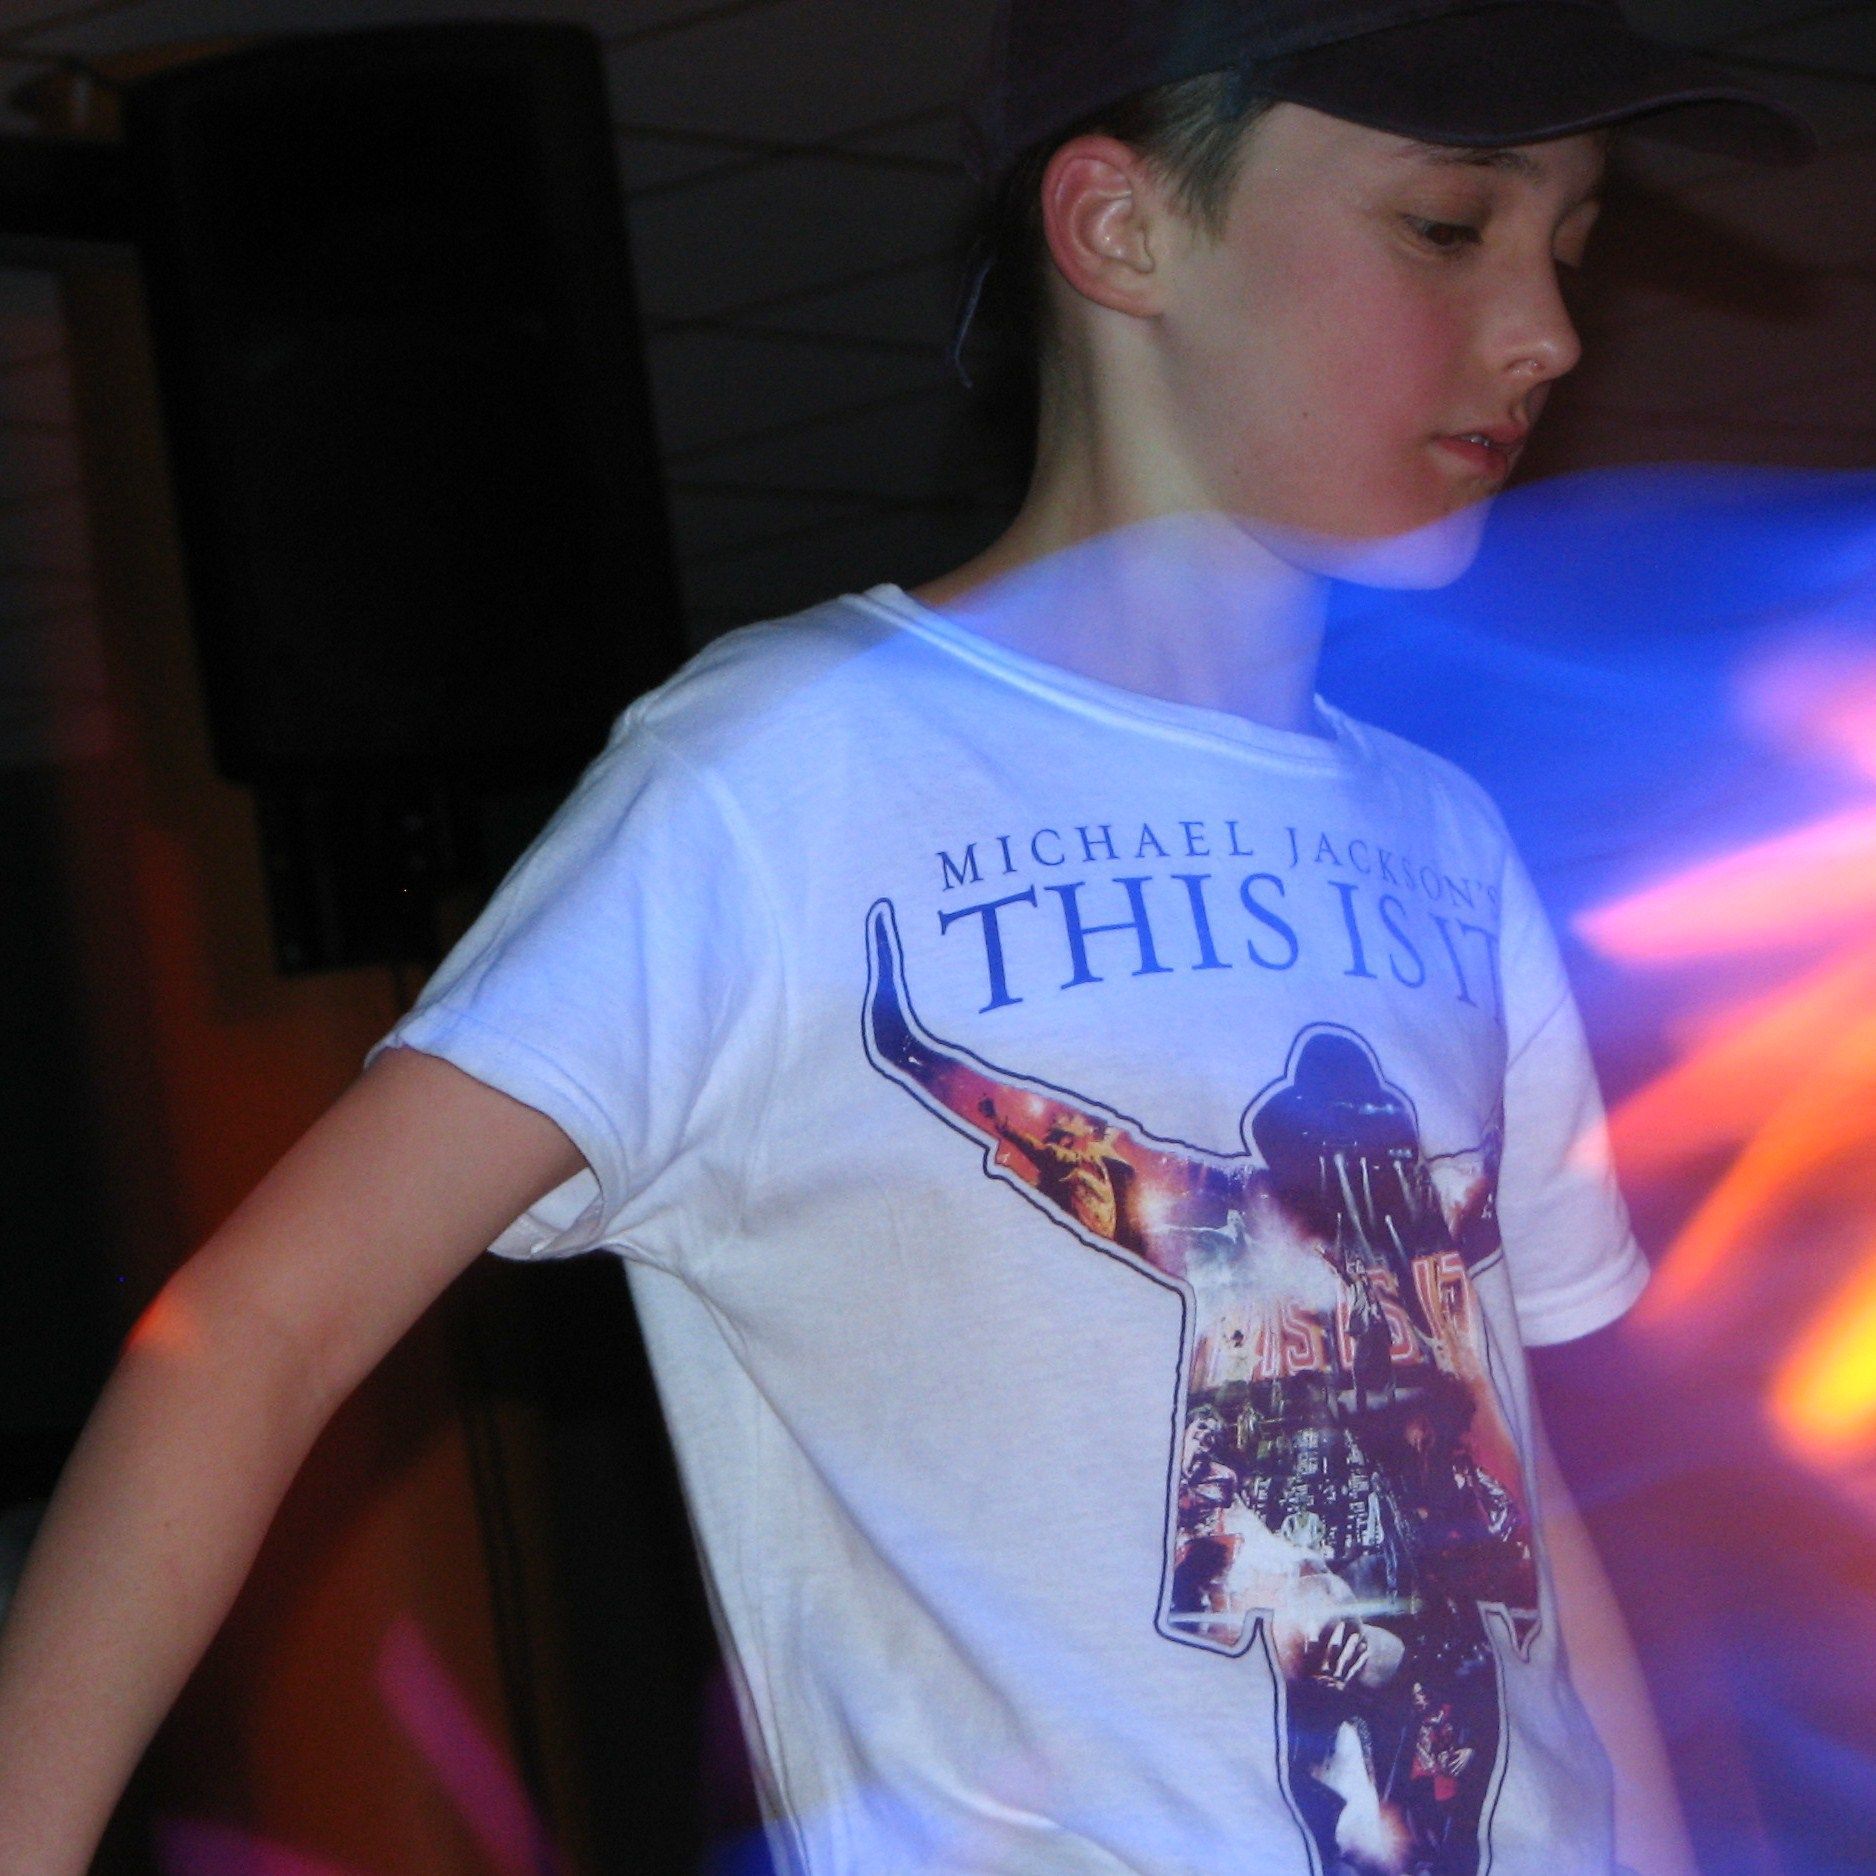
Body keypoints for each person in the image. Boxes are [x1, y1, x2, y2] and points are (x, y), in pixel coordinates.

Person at [0, 4, 1817, 1874]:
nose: (1547, 329)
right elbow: (254, 1334)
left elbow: (1525, 1476)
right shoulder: (792, 769)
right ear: (1120, 228)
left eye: (1570, 244)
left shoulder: (1443, 839)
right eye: (1449, 225)